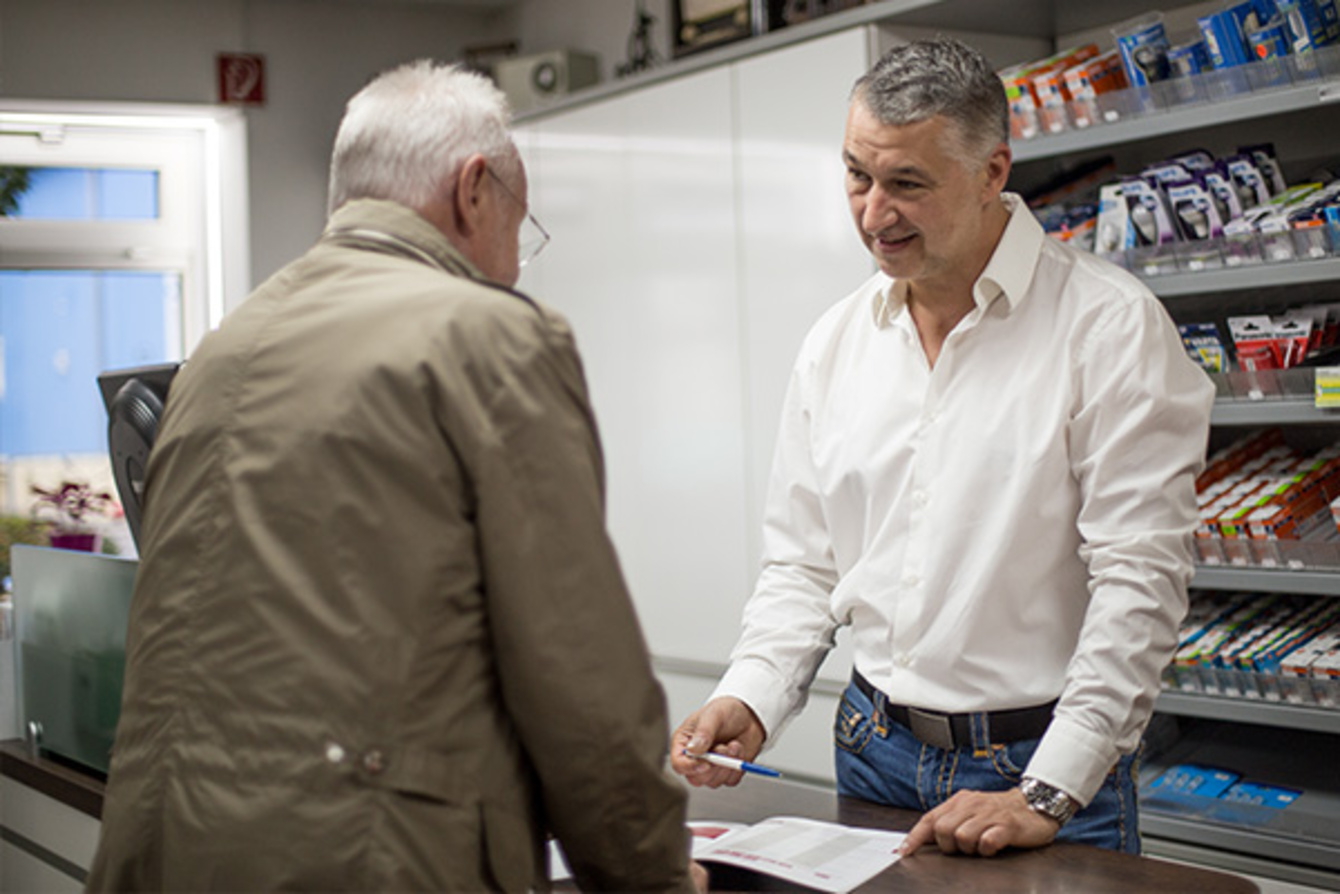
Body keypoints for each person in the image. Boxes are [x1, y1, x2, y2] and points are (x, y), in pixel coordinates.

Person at [88, 60, 703, 893]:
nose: (517, 265)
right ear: (474, 190)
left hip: (167, 851)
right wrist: (653, 875)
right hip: (372, 860)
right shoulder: (490, 338)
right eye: (521, 228)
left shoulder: (223, 348)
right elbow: (577, 676)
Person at [670, 37, 1214, 858]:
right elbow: (805, 567)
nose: (872, 213)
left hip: (1041, 758)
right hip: (872, 751)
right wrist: (751, 697)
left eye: (907, 185)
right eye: (858, 174)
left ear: (993, 172)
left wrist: (1049, 788)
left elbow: (1138, 586)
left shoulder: (1108, 328)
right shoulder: (837, 341)